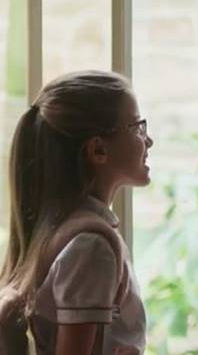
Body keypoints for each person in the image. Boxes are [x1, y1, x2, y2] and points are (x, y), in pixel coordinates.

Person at [0, 70, 153, 354]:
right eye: (137, 127)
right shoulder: (92, 248)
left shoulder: (63, 231)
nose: (148, 141)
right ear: (98, 150)